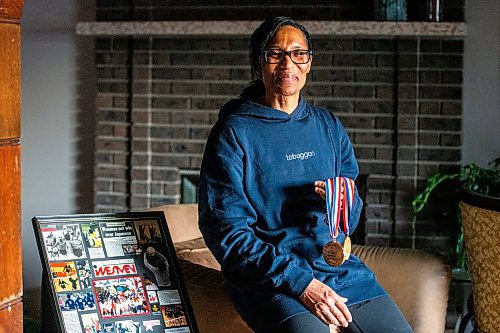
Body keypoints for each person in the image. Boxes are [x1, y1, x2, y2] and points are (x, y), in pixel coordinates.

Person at [198, 16, 414, 333]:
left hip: (338, 271)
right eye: (275, 53)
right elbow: (228, 234)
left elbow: (350, 222)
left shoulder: (328, 126)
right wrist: (303, 284)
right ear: (259, 63)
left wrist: (343, 203)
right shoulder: (233, 132)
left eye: (298, 53)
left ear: (309, 62)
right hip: (271, 279)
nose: (288, 64)